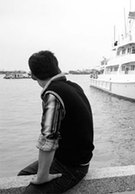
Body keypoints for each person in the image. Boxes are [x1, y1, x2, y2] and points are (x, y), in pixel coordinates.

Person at [18, 50, 95, 193]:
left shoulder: (53, 94)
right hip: (76, 159)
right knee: (23, 175)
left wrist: (42, 176)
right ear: (57, 67)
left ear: (33, 76)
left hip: (72, 167)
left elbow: (48, 137)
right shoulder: (74, 87)